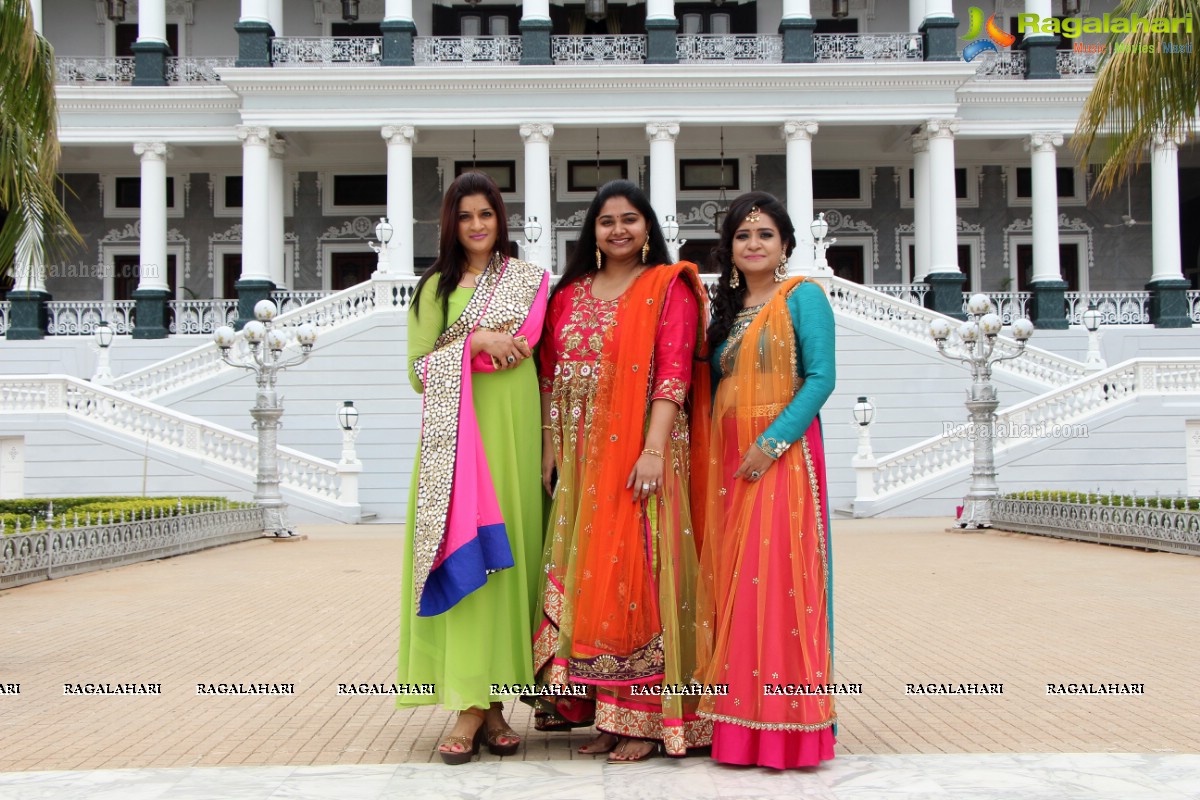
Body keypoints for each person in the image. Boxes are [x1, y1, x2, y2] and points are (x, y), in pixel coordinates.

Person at [529, 180, 710, 762]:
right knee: (592, 578)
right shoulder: (568, 295)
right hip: (582, 460)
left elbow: (672, 375)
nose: (619, 230)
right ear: (593, 233)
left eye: (630, 219)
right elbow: (550, 379)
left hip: (641, 454)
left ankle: (645, 720)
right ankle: (608, 710)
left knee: (638, 578)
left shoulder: (667, 287)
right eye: (606, 221)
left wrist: (653, 449)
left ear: (648, 228)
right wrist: (551, 450)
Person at [397, 171, 549, 765]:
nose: (478, 226)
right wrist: (477, 340)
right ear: (450, 224)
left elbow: (538, 353)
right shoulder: (434, 290)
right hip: (456, 446)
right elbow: (417, 372)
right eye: (466, 217)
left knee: (510, 564)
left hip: (514, 436)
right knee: (470, 556)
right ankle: (472, 706)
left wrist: (548, 443)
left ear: (500, 219)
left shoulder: (529, 281)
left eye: (486, 214)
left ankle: (492, 706)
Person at [695, 191, 837, 769]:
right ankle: (738, 728)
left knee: (779, 582)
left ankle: (787, 730)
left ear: (785, 245)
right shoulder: (724, 313)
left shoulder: (803, 298)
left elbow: (821, 379)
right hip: (729, 458)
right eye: (742, 236)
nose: (753, 245)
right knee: (736, 583)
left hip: (782, 456)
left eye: (765, 235)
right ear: (729, 248)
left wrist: (770, 443)